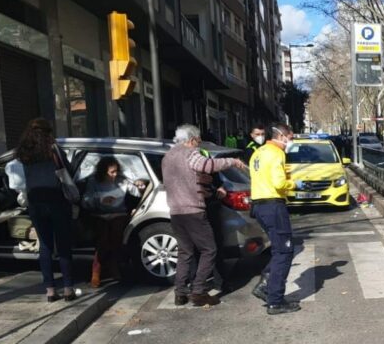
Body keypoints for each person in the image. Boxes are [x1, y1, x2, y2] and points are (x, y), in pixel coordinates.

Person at [161, 124, 246, 307]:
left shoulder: (168, 156)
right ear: (191, 140)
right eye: (198, 141)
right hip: (193, 211)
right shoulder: (190, 153)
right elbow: (208, 165)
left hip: (176, 212)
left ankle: (180, 292)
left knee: (185, 252)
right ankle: (198, 291)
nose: (199, 145)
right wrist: (232, 161)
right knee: (209, 250)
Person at [16, 118, 76, 302]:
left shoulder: (23, 152)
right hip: (57, 201)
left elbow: (18, 178)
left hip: (36, 202)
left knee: (45, 246)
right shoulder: (53, 150)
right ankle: (68, 289)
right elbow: (69, 170)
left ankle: (50, 290)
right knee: (63, 244)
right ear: (48, 133)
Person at [249, 123, 303, 315]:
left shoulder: (258, 152)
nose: (292, 141)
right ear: (282, 136)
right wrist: (294, 184)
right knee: (284, 252)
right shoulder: (276, 153)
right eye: (291, 137)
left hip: (259, 205)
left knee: (279, 250)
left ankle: (267, 285)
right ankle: (275, 300)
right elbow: (279, 182)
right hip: (273, 205)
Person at [82, 156, 147, 288]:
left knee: (116, 235)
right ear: (103, 171)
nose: (115, 174)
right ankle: (99, 269)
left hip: (119, 213)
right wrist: (100, 200)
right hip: (100, 214)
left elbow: (135, 192)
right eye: (112, 172)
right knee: (103, 238)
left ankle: (110, 266)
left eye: (116, 171)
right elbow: (85, 200)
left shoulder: (122, 180)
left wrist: (140, 186)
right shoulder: (93, 181)